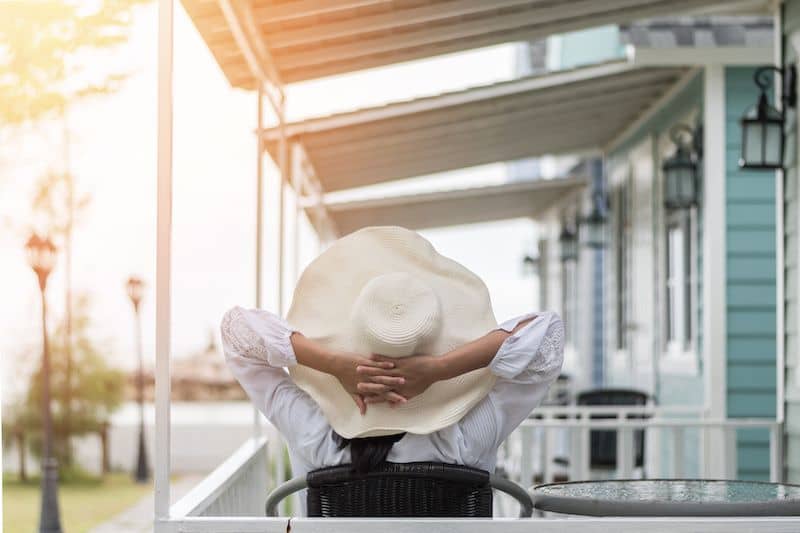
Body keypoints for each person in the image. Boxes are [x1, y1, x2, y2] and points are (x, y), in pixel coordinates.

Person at [220, 226, 564, 513]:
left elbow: (237, 334)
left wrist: (334, 364)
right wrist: (439, 369)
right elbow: (546, 336)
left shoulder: (316, 435)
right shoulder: (460, 442)